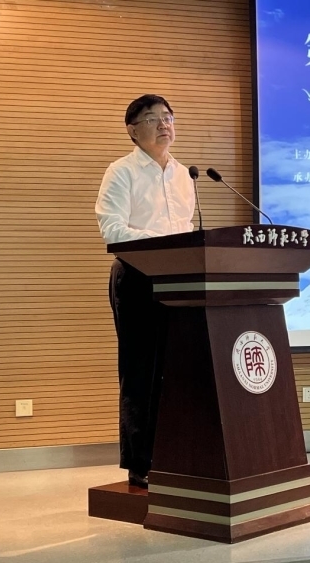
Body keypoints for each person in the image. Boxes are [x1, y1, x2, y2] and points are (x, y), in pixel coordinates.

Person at [95, 94, 195, 488]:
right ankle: (141, 464)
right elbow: (113, 230)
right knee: (141, 372)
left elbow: (186, 228)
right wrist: (164, 244)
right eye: (152, 119)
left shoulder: (184, 175)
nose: (164, 124)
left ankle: (176, 456)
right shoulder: (121, 172)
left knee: (178, 371)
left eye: (168, 117)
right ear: (133, 131)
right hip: (137, 279)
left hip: (180, 281)